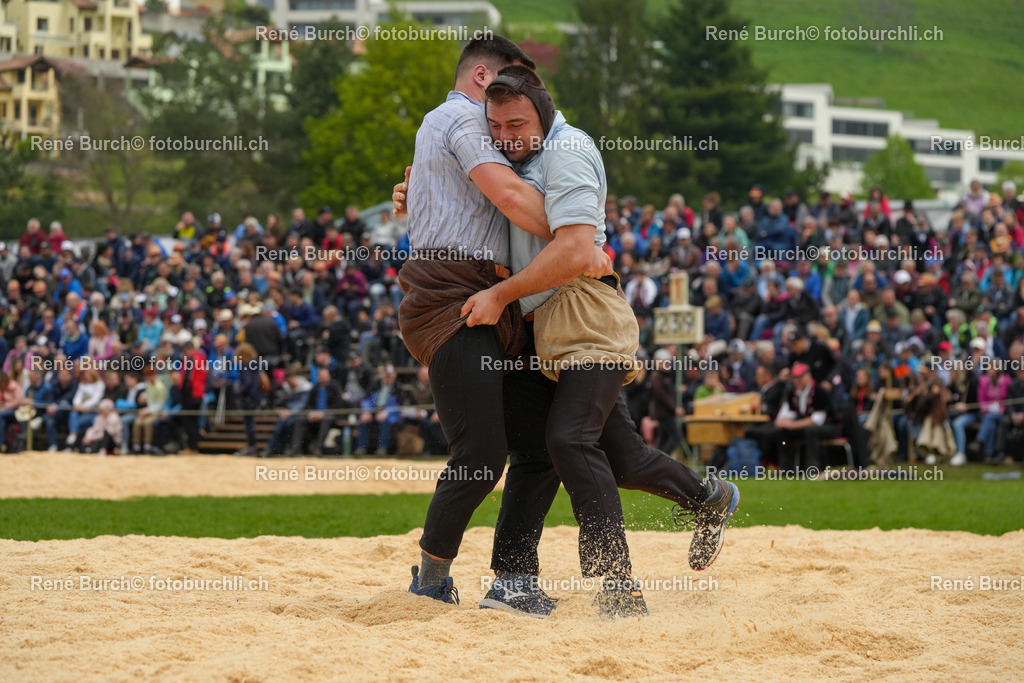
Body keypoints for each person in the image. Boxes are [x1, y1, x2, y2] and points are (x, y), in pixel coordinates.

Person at [450, 66, 739, 617]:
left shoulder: (568, 148)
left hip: (584, 313)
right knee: (616, 459)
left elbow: (579, 252)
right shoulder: (521, 158)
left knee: (568, 440)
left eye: (518, 123)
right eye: (497, 126)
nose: (507, 136)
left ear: (543, 110)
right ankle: (708, 499)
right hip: (545, 325)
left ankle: (617, 588)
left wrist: (501, 296)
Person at [775, 363, 839, 473]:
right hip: (805, 426)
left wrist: (792, 425)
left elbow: (817, 420)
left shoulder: (820, 392)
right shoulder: (793, 393)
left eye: (800, 377)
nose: (797, 380)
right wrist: (783, 422)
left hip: (830, 426)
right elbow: (787, 414)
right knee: (783, 433)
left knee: (811, 431)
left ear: (809, 376)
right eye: (795, 378)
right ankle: (785, 468)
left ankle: (812, 467)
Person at [289, 367, 343, 456]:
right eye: (322, 376)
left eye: (326, 375)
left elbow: (337, 404)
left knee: (326, 419)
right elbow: (308, 405)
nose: (324, 378)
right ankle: (295, 449)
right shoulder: (315, 388)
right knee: (300, 419)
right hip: (315, 415)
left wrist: (323, 413)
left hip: (330, 415)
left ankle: (318, 449)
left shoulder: (335, 387)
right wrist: (310, 413)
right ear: (318, 377)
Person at [232, 342, 264, 457]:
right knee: (251, 423)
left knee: (249, 424)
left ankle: (251, 447)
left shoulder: (245, 365)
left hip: (248, 398)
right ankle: (252, 447)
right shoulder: (254, 364)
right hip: (255, 396)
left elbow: (247, 382)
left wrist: (237, 392)